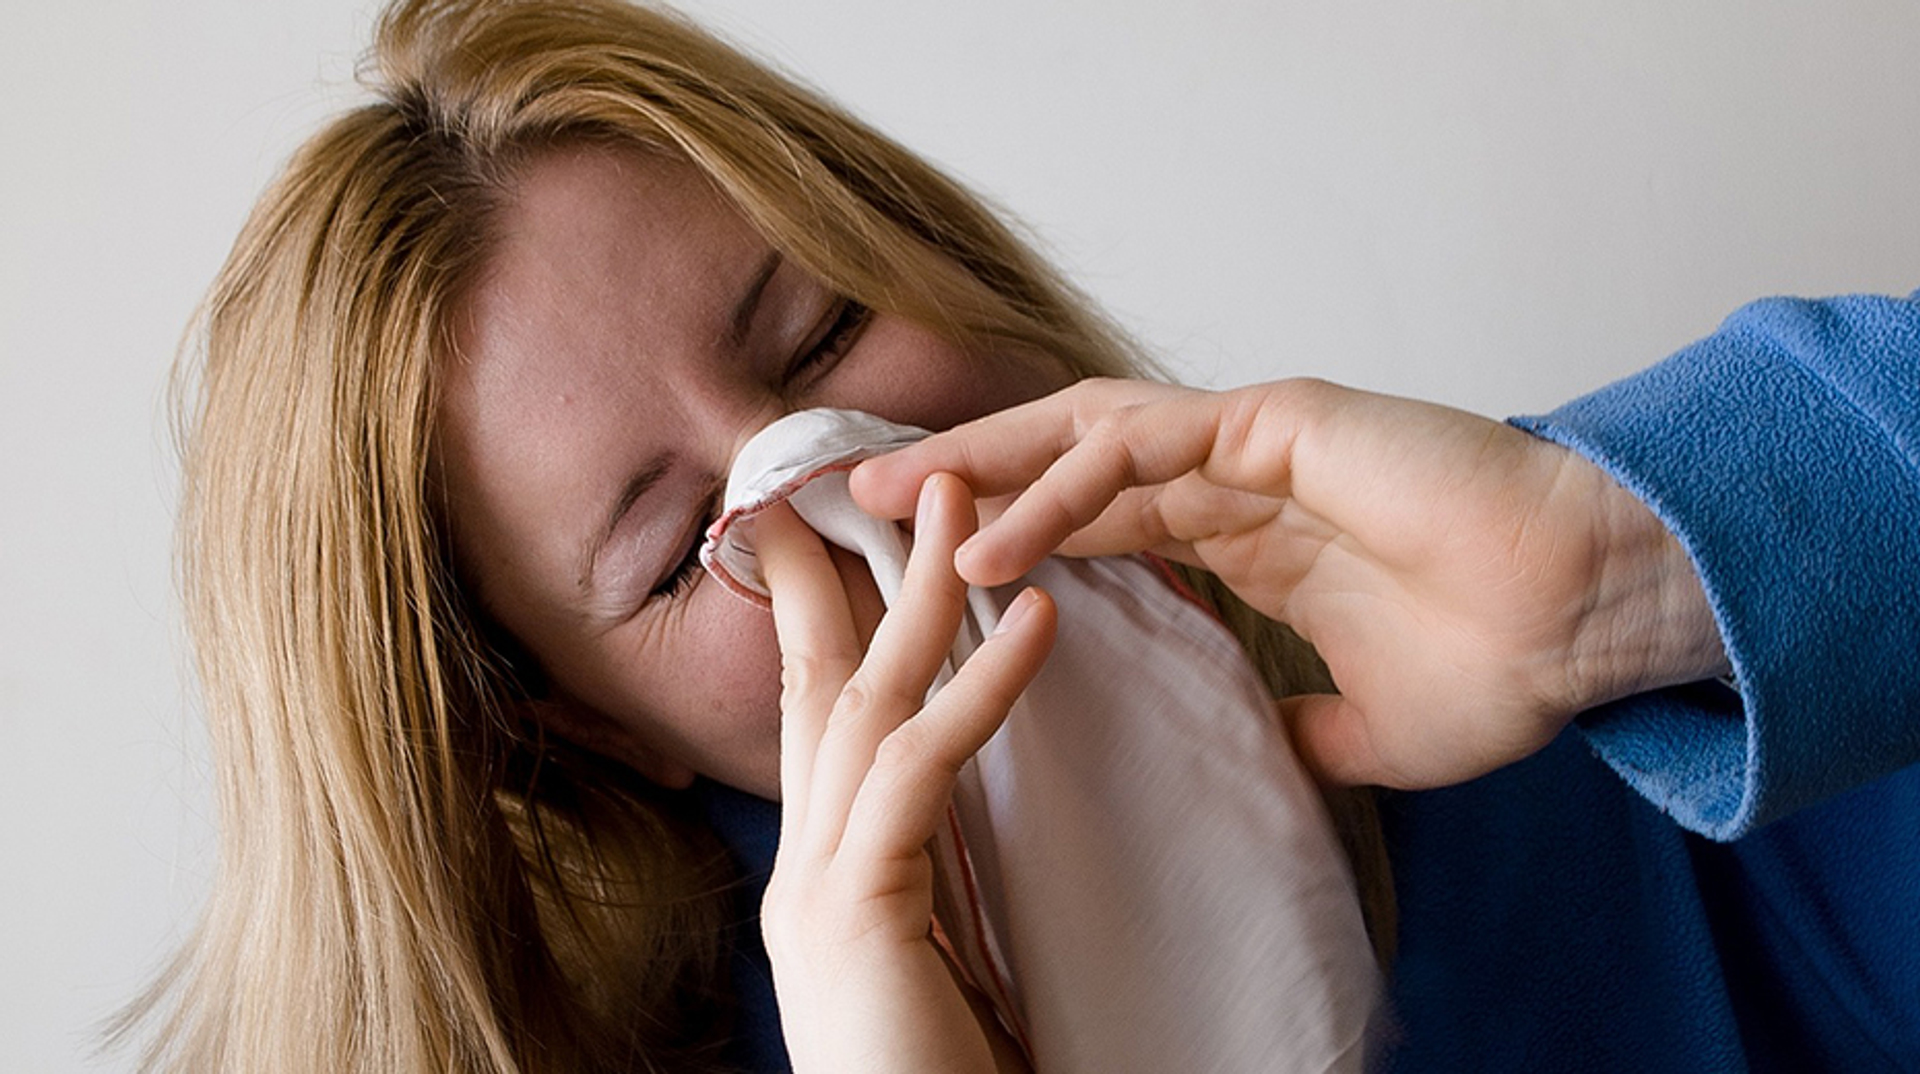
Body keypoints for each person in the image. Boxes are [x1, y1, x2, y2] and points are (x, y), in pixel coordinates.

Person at [123, 0, 1920, 1070]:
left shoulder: (1616, 662)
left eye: (823, 337)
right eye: (683, 546)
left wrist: (1618, 563)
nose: (849, 474)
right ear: (581, 722)